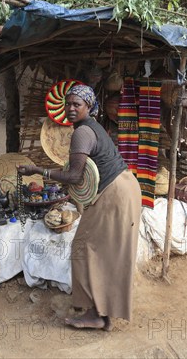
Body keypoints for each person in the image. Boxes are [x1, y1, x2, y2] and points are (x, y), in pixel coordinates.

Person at [17, 84, 142, 331]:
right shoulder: (91, 128)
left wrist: (37, 170)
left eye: (78, 104)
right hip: (123, 188)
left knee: (84, 247)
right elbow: (81, 173)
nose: (72, 108)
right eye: (69, 103)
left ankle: (96, 314)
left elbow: (74, 176)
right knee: (105, 251)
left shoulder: (82, 133)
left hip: (114, 193)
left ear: (88, 106)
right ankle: (101, 313)